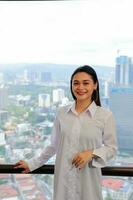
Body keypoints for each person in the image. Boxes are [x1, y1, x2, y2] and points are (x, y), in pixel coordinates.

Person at [15, 65, 117, 200]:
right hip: (63, 184)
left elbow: (112, 149)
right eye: (76, 83)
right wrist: (32, 164)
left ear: (95, 85)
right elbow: (53, 146)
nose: (80, 87)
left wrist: (91, 153)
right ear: (71, 86)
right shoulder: (61, 113)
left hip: (88, 184)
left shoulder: (105, 116)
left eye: (86, 83)